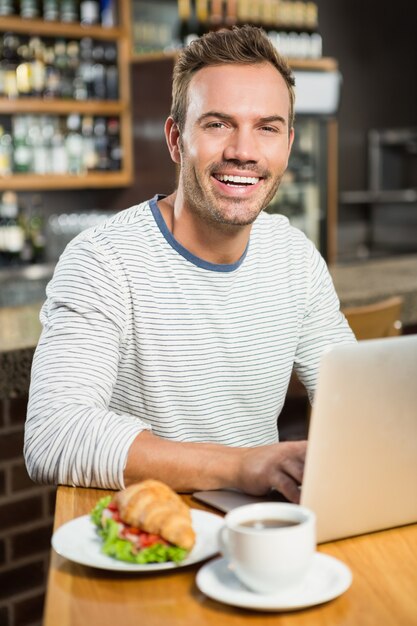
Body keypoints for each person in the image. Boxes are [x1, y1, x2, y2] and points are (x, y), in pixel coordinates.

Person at [24, 25, 354, 504]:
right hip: (146, 535)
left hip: (260, 529)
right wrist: (241, 466)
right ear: (176, 140)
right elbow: (53, 435)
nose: (244, 151)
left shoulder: (295, 257)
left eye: (267, 127)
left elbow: (349, 401)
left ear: (287, 144)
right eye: (218, 124)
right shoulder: (102, 261)